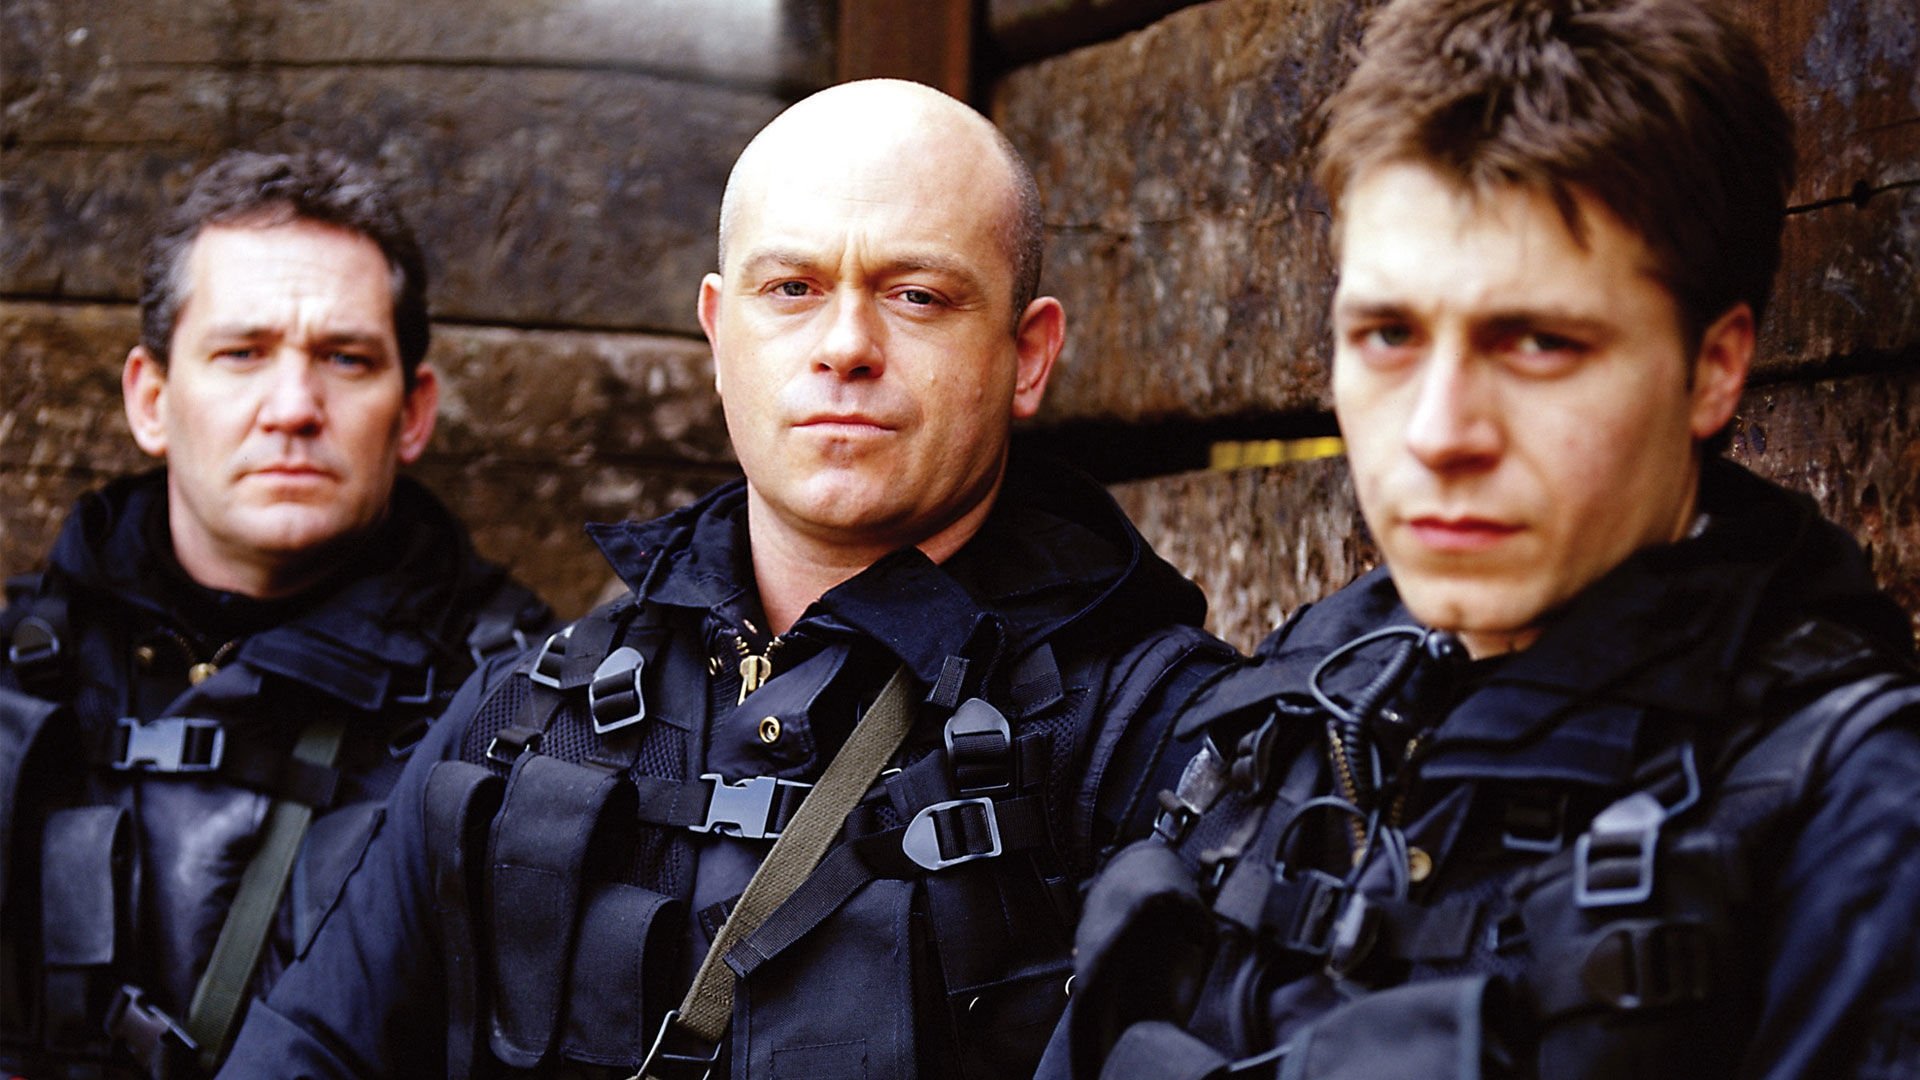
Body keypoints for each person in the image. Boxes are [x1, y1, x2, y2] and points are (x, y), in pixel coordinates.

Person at [216, 79, 1236, 1080]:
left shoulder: (1151, 738)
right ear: (717, 334)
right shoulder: (524, 715)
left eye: (917, 295)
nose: (845, 345)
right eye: (791, 289)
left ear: (1029, 354)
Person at [1047, 0, 1920, 1077]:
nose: (1439, 431)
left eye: (1539, 342)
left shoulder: (1854, 813)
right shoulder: (1296, 698)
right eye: (1389, 335)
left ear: (1712, 368)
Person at [0, 150, 554, 1079]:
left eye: (345, 358)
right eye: (242, 354)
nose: (294, 408)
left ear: (414, 412)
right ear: (151, 398)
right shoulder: (21, 676)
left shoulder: (518, 711)